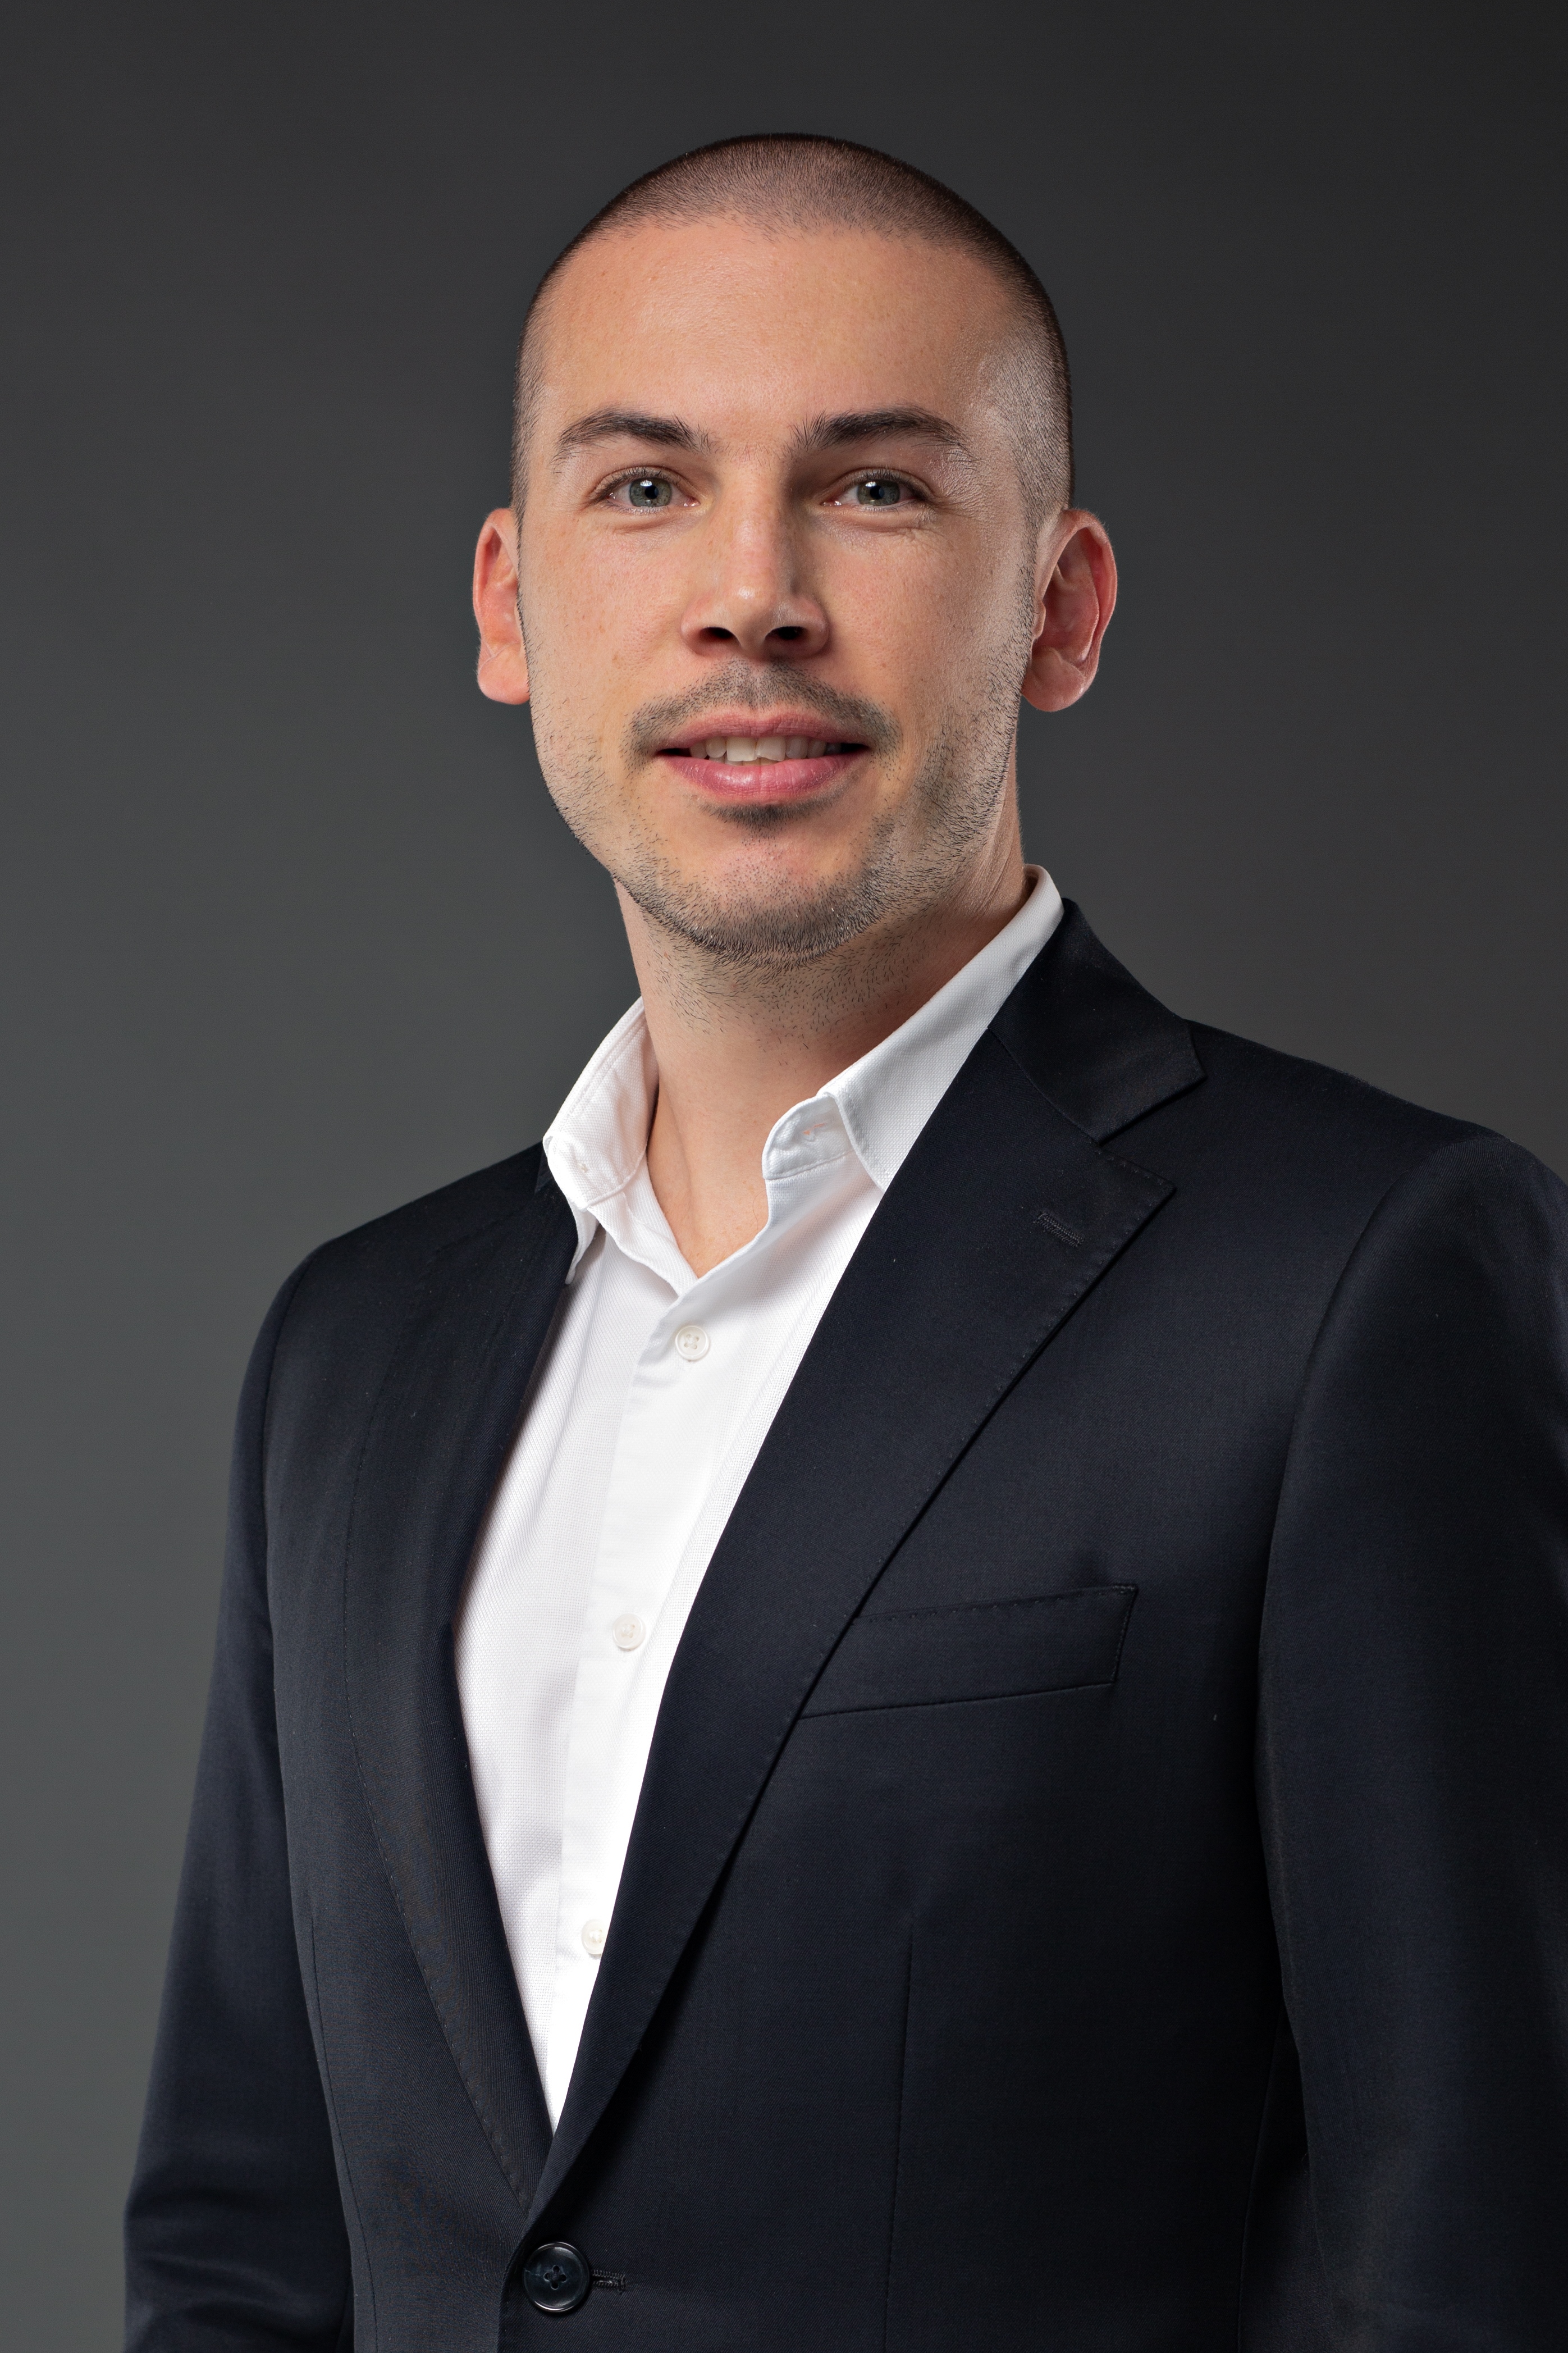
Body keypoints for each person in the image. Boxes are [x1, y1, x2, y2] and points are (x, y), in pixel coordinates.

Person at [124, 134, 1568, 2352]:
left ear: (1060, 607)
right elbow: (248, 2233)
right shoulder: (355, 1346)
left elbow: (1473, 2237)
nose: (752, 597)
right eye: (646, 486)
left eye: (875, 487)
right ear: (510, 604)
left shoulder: (1363, 1276)